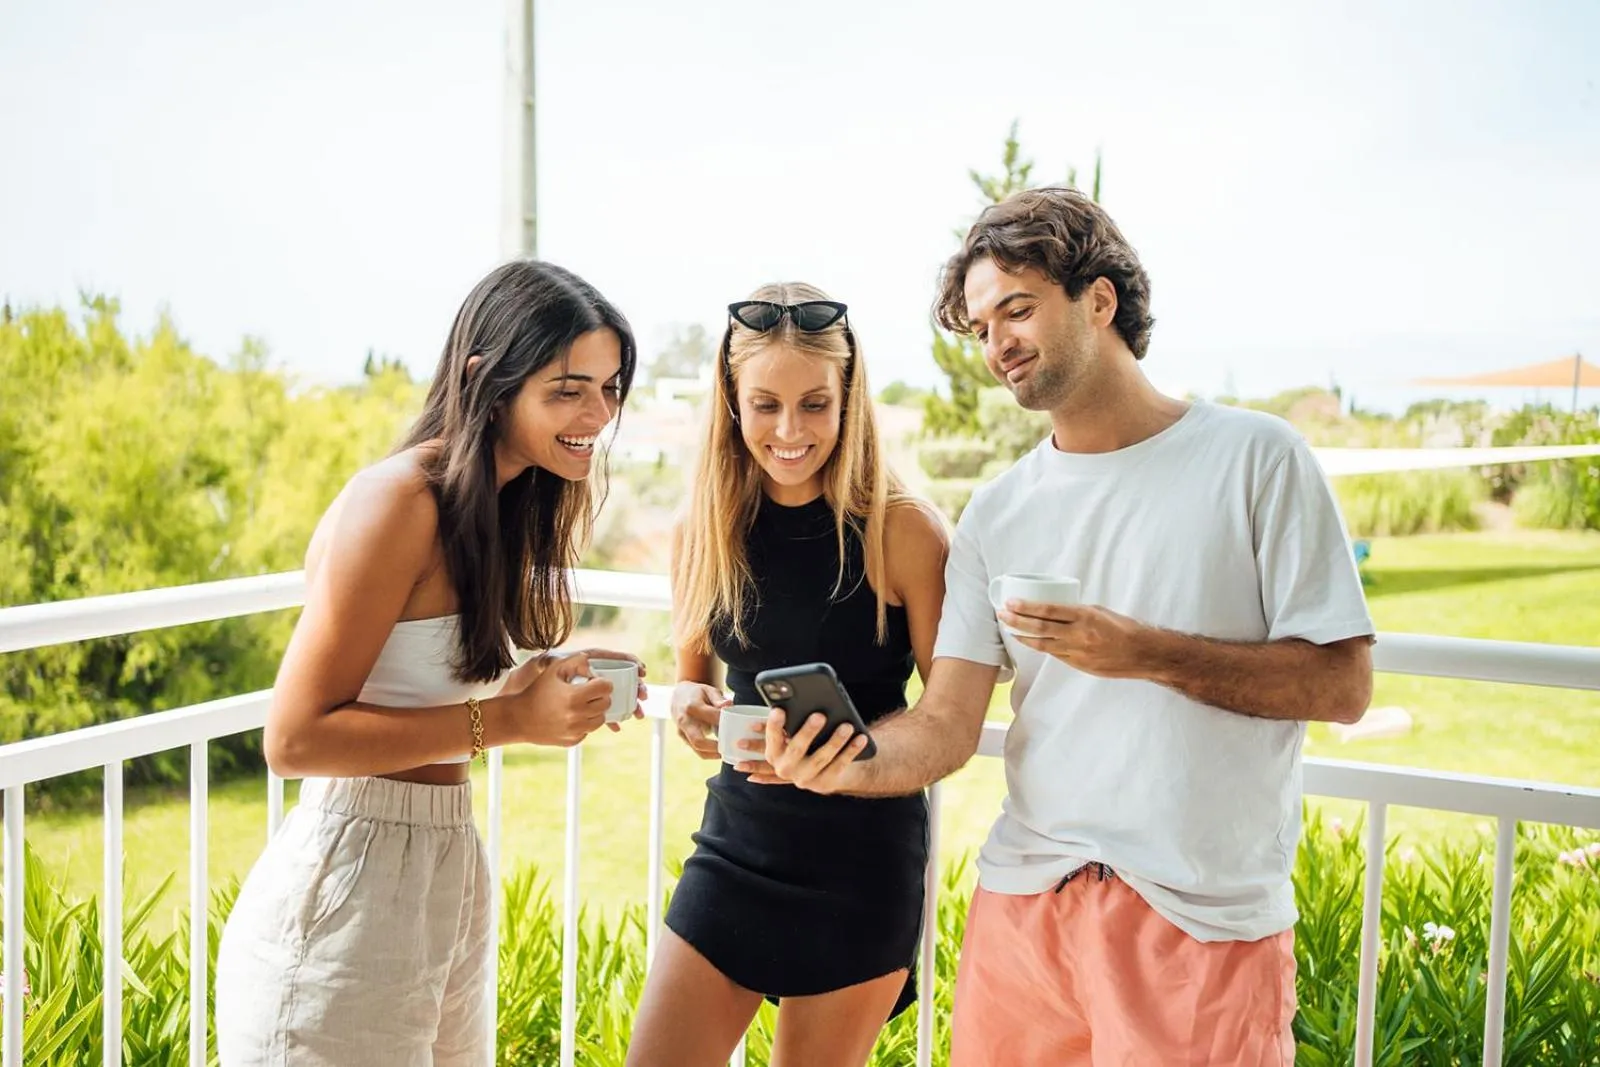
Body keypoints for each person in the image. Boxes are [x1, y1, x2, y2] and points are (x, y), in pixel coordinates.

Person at [749, 188, 1376, 1067]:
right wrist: (841, 764)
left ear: (1099, 299)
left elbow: (1342, 685)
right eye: (980, 325)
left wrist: (1142, 652)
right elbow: (944, 723)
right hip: (1025, 913)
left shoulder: (1255, 458)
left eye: (1018, 308)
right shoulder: (998, 513)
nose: (998, 343)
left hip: (1197, 917)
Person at [216, 259, 648, 1067]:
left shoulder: (500, 504)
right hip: (347, 892)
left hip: (443, 873)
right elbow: (294, 739)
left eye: (610, 387)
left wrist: (535, 680)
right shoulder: (398, 500)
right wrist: (511, 720)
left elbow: (423, 671)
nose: (599, 413)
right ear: (488, 380)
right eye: (568, 389)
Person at [625, 283, 950, 1067]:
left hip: (861, 861)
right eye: (765, 404)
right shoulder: (704, 527)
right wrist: (695, 711)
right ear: (732, 401)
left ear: (850, 397)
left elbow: (948, 717)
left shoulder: (904, 530)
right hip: (738, 844)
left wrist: (851, 754)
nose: (790, 429)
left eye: (815, 404)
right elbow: (696, 685)